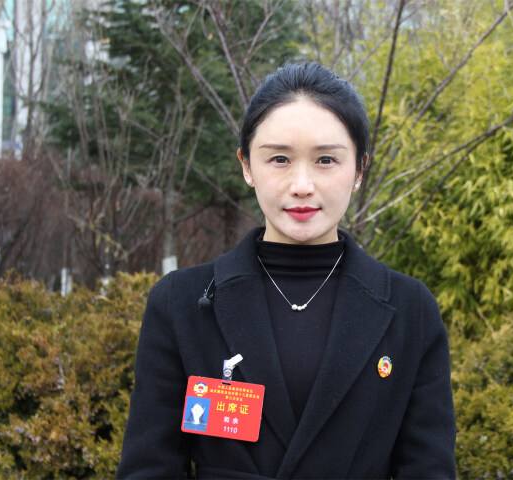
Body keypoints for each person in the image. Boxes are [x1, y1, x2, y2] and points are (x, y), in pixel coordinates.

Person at [117, 62, 456, 479]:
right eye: (279, 158)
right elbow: (149, 468)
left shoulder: (410, 310)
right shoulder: (181, 304)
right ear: (246, 165)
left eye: (326, 160)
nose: (302, 185)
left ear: (359, 170)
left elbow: (428, 469)